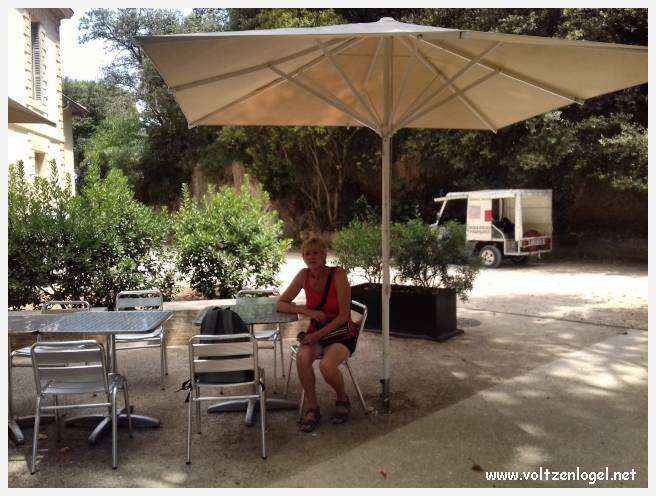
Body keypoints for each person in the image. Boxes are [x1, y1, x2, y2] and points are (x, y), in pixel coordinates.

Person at [276, 235, 357, 432]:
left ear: (324, 255)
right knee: (303, 358)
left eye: (315, 253)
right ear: (303, 257)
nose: (311, 257)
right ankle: (313, 407)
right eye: (307, 254)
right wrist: (309, 312)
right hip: (316, 331)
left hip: (340, 332)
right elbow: (281, 303)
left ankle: (342, 398)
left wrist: (316, 336)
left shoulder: (338, 274)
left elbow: (344, 316)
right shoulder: (303, 275)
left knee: (327, 366)